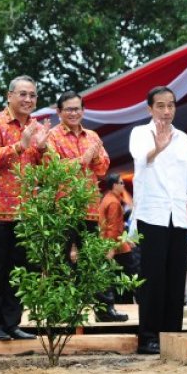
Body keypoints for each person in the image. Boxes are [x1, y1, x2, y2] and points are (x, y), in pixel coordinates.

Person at [130, 86, 187, 355]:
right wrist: (158, 148)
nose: (167, 111)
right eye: (161, 106)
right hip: (151, 215)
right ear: (150, 109)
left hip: (178, 217)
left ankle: (171, 334)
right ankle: (148, 337)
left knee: (177, 277)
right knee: (153, 278)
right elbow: (141, 159)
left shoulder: (183, 139)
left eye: (171, 105)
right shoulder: (140, 133)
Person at [0, 75, 50, 341]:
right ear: (9, 96)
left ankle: (12, 322)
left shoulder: (37, 126)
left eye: (32, 95)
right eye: (23, 94)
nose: (28, 99)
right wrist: (22, 144)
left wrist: (41, 150)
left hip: (26, 210)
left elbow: (46, 168)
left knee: (21, 269)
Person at [47, 91, 118, 320]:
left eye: (77, 108)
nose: (73, 113)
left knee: (93, 258)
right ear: (59, 112)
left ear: (83, 111)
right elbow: (51, 169)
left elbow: (103, 167)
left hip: (89, 207)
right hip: (63, 208)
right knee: (62, 259)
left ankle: (104, 310)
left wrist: (92, 157)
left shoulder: (93, 135)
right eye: (68, 109)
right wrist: (82, 160)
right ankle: (61, 309)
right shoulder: (52, 136)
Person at [98, 174, 138, 312]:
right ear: (114, 185)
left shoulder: (107, 199)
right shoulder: (114, 202)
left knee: (117, 280)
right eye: (121, 183)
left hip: (115, 245)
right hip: (117, 248)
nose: (123, 185)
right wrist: (112, 248)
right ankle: (128, 308)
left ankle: (121, 306)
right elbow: (113, 228)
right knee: (127, 280)